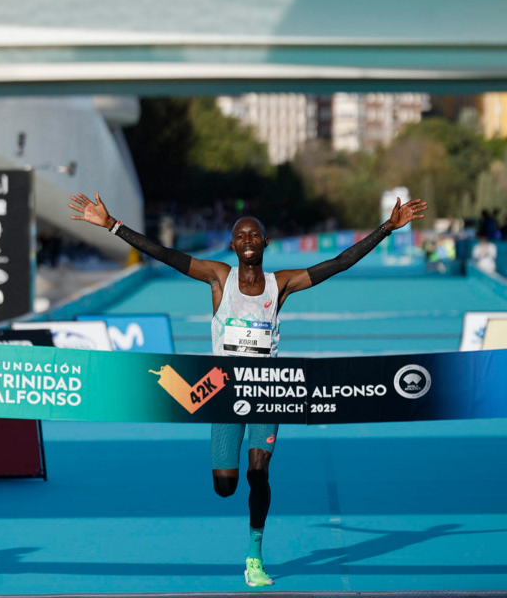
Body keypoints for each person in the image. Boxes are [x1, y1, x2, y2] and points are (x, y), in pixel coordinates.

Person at [68, 191, 427, 588]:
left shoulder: (281, 285)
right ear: (233, 245)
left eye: (254, 235)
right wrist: (113, 224)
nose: (247, 240)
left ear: (265, 243)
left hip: (267, 390)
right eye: (240, 236)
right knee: (225, 486)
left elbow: (339, 263)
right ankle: (236, 497)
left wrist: (387, 229)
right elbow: (165, 255)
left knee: (260, 472)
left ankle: (254, 556)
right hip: (221, 390)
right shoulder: (219, 278)